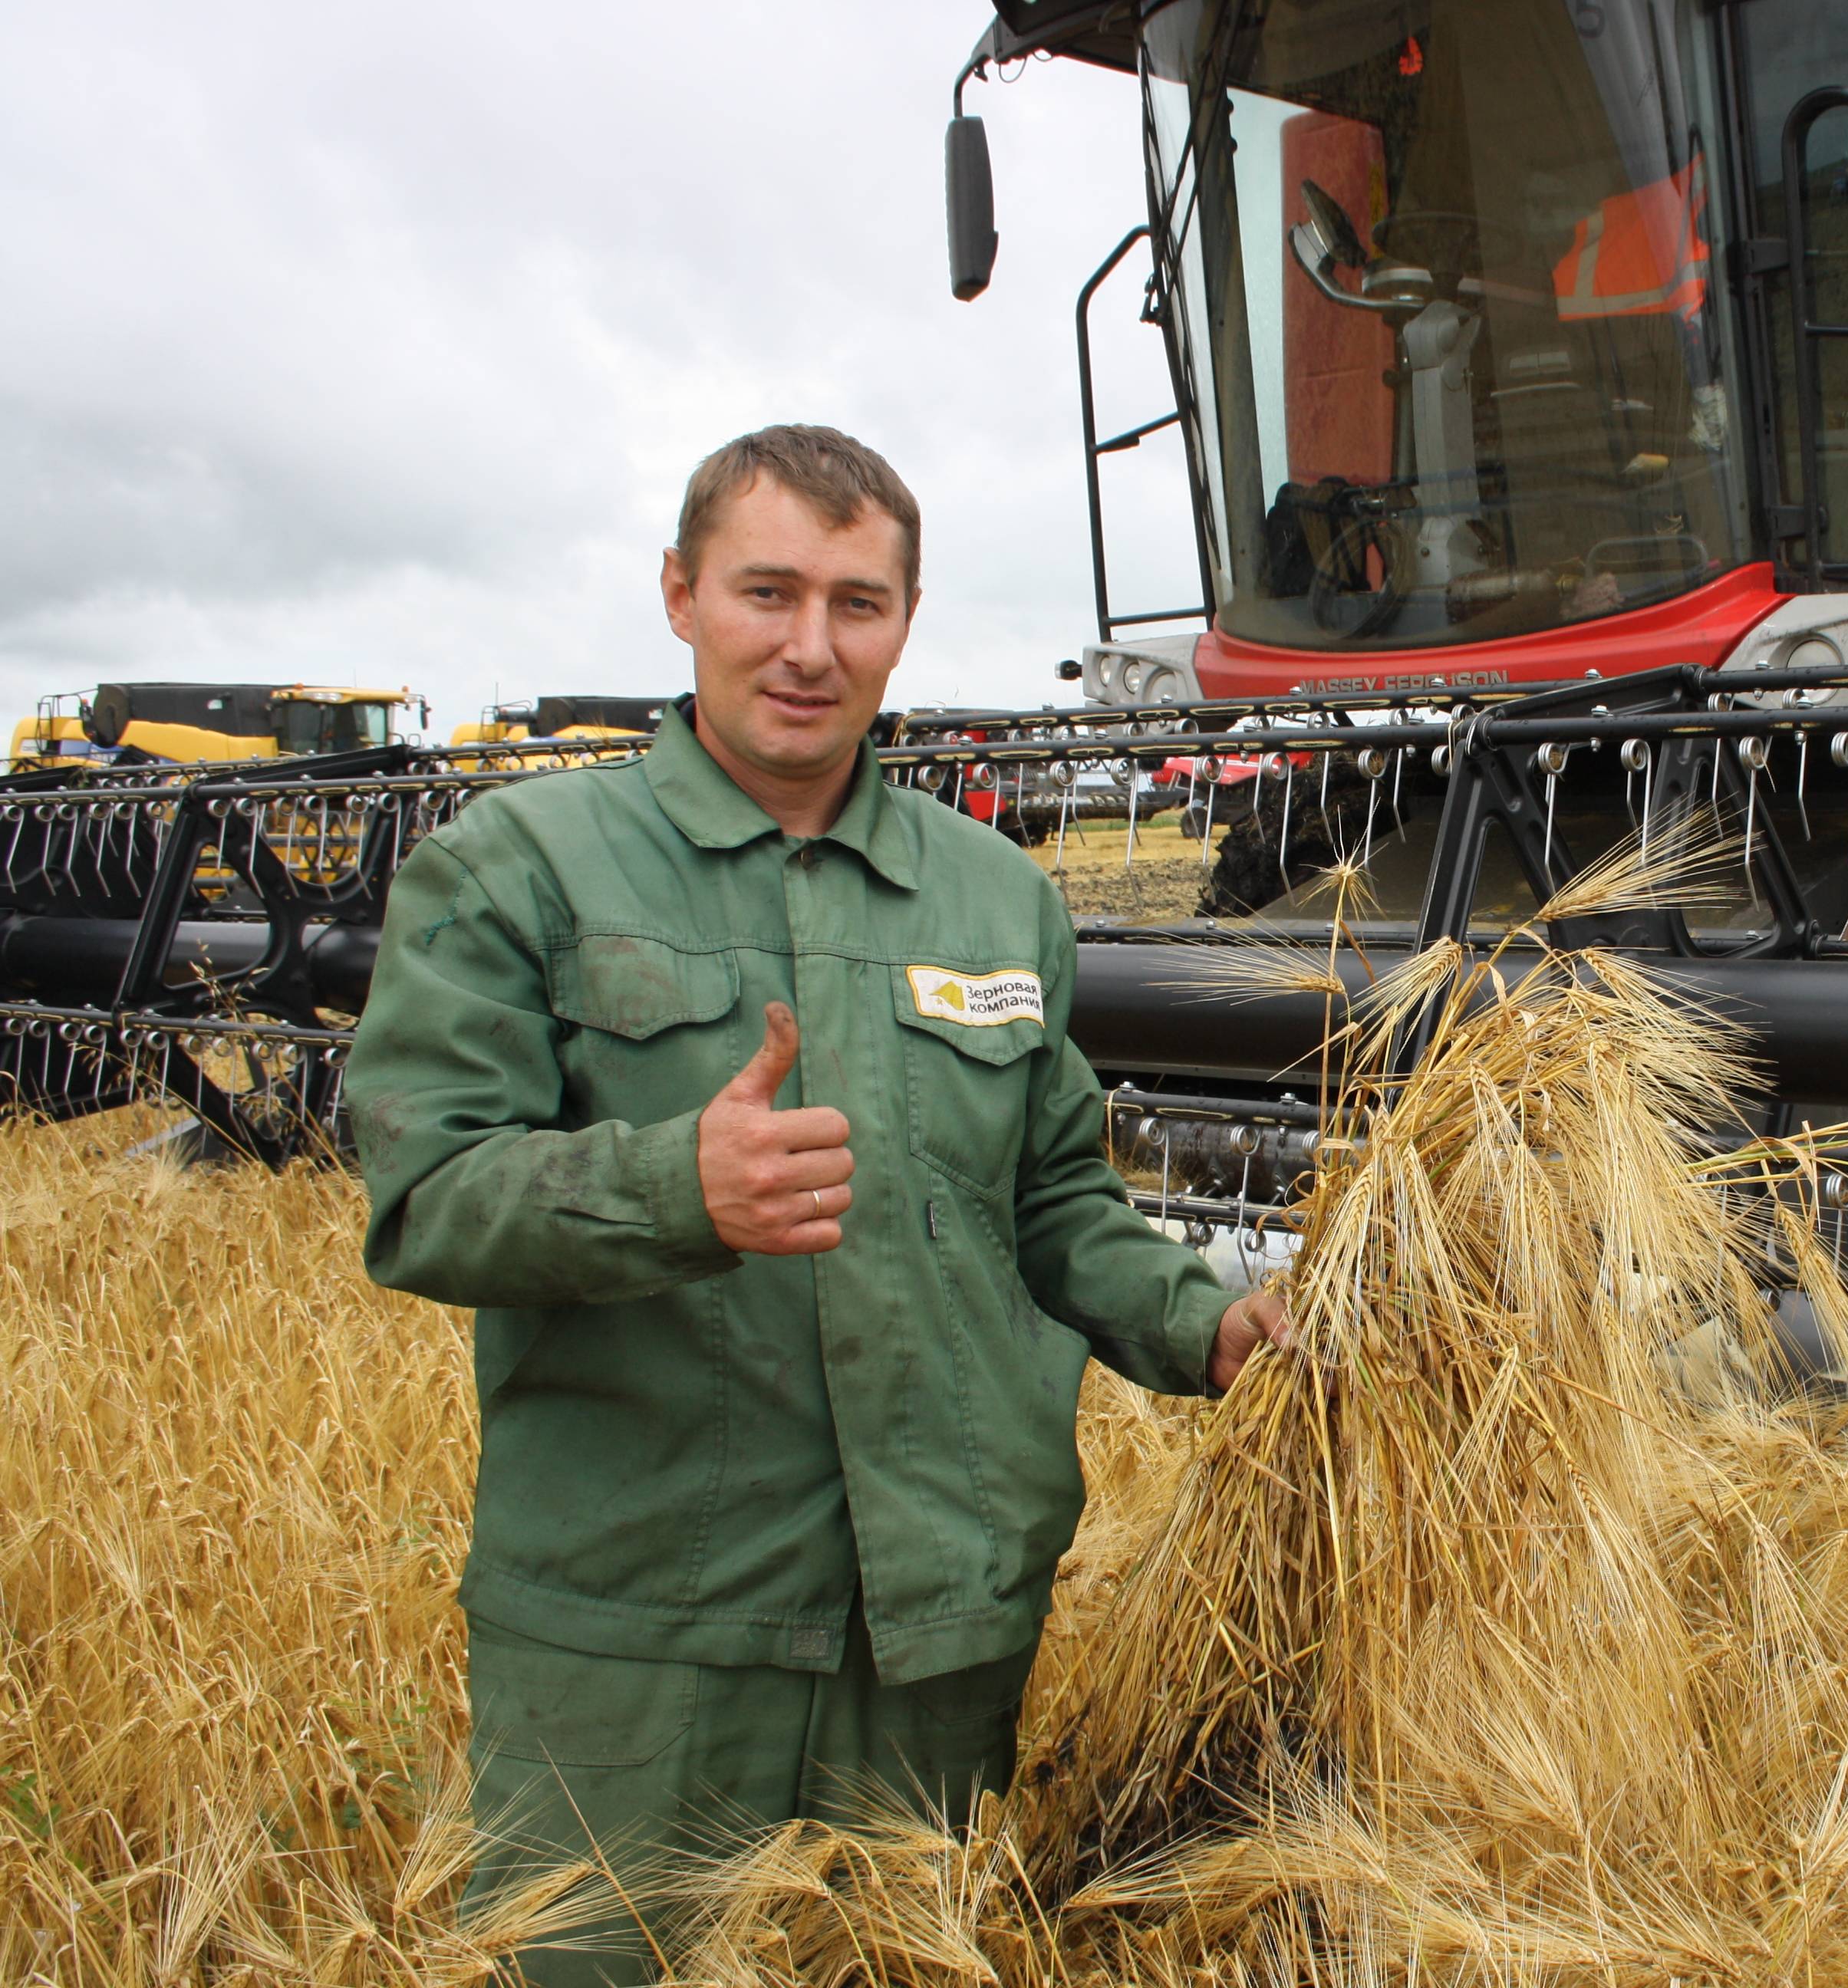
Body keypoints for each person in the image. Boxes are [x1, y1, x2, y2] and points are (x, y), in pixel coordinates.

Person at [347, 423, 1290, 1985]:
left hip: (939, 1631)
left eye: (857, 604)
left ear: (905, 621)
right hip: (644, 1643)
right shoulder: (518, 867)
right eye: (766, 592)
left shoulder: (997, 898)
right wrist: (670, 1185)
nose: (808, 647)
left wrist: (1207, 1325)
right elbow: (425, 1196)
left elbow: (1054, 1197)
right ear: (680, 596)